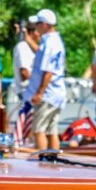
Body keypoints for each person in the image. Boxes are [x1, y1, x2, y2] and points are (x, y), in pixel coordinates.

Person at [25, 9, 66, 150]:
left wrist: (39, 93)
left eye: (38, 23)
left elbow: (48, 71)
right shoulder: (53, 41)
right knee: (51, 131)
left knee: (38, 130)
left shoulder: (50, 43)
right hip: (55, 94)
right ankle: (54, 162)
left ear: (45, 24)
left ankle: (42, 163)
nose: (35, 27)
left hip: (48, 94)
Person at [10, 18, 39, 122]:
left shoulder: (33, 47)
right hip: (27, 93)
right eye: (38, 31)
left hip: (33, 92)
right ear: (32, 32)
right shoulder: (23, 47)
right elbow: (24, 73)